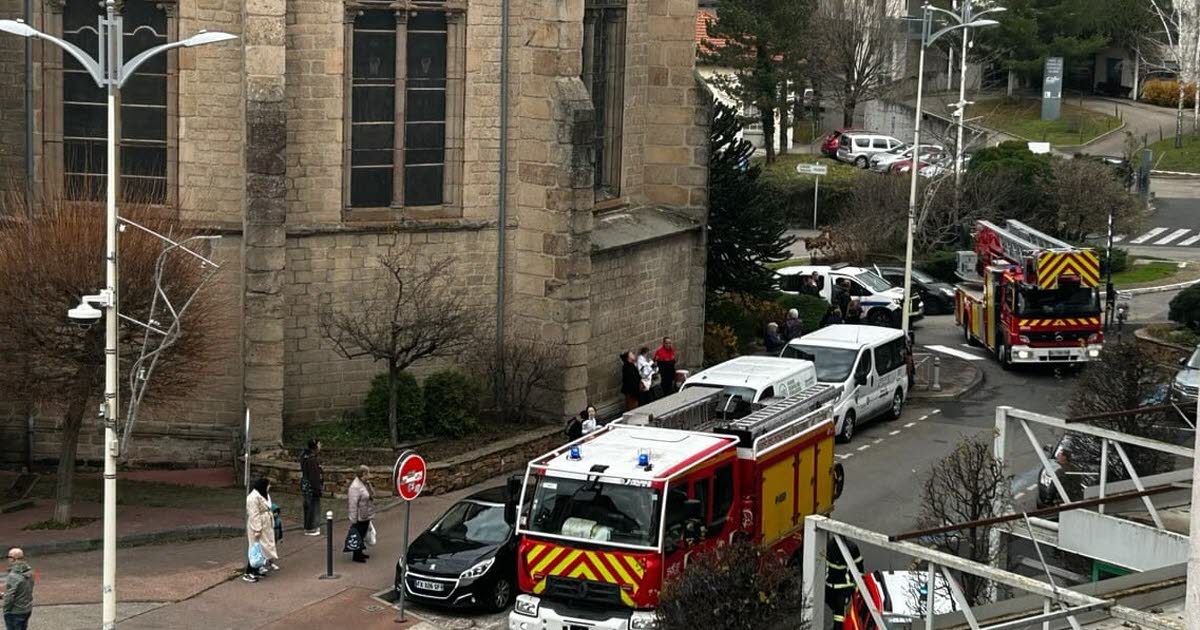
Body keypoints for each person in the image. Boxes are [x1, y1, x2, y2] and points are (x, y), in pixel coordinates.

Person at [244, 478, 279, 583]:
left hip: (265, 524)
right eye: (268, 485)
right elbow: (254, 514)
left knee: (263, 548)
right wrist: (257, 529)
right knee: (255, 548)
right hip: (258, 527)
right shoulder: (252, 498)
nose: (269, 487)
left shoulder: (264, 494)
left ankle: (257, 568)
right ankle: (249, 572)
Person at [825, 536, 864, 627]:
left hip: (834, 585)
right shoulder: (852, 547)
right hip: (841, 586)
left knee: (839, 615)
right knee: (839, 614)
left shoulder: (828, 545)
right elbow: (860, 566)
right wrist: (859, 585)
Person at [347, 466, 376, 563]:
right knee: (358, 534)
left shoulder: (365, 484)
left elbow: (372, 495)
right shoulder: (355, 487)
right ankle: (356, 555)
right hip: (359, 516)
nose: (369, 475)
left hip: (366, 514)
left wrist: (369, 485)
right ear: (363, 474)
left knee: (363, 534)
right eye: (368, 473)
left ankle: (360, 552)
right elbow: (353, 503)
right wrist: (353, 519)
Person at [3, 548, 32, 630]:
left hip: (15, 611)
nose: (8, 559)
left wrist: (6, 610)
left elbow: (10, 596)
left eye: (9, 557)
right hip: (26, 609)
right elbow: (24, 590)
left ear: (13, 559)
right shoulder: (28, 571)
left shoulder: (13, 575)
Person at [300, 439, 323, 536]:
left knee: (308, 505)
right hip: (311, 487)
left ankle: (308, 526)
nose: (321, 446)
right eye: (319, 444)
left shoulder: (305, 456)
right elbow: (314, 476)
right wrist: (317, 488)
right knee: (313, 506)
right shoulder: (312, 460)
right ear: (315, 447)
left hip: (306, 485)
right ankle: (311, 528)